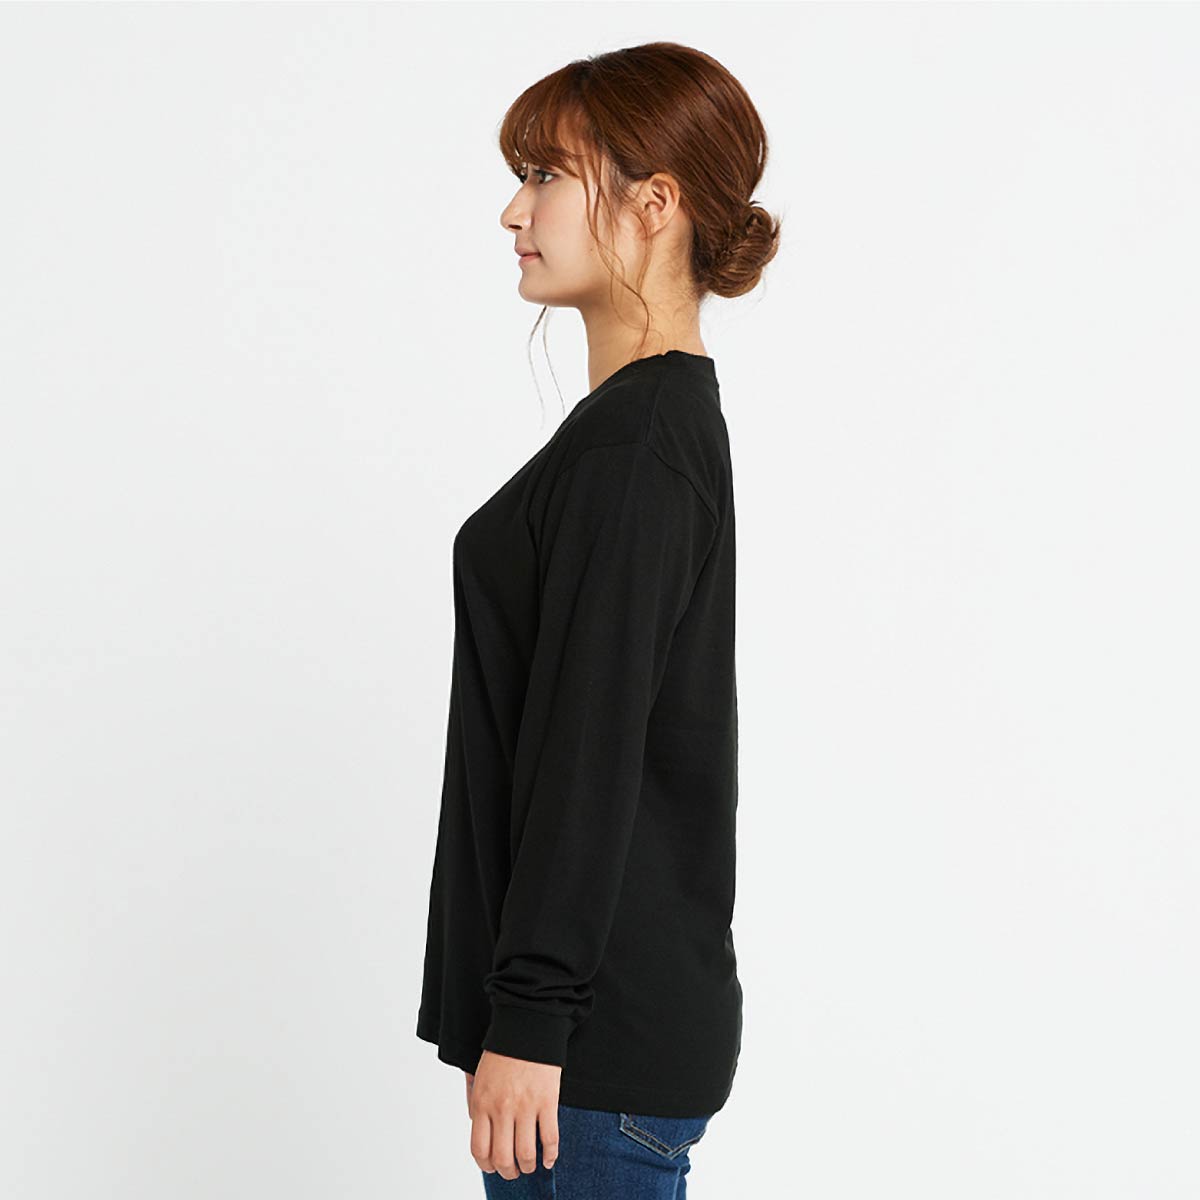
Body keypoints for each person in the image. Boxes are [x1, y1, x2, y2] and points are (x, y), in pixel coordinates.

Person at [416, 41, 780, 1198]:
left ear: (653, 204)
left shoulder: (637, 450)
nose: (513, 211)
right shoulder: (643, 430)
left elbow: (589, 751)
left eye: (546, 176)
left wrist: (531, 1017)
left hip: (590, 1055)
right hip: (591, 1048)